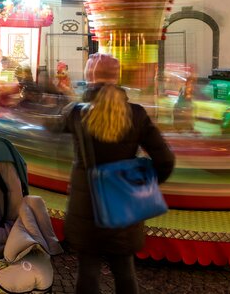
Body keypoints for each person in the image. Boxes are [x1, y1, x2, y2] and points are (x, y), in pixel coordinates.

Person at [58, 53, 175, 294]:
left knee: (88, 272)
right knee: (124, 271)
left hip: (86, 205)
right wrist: (144, 183)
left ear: (90, 76)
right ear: (116, 76)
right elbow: (165, 160)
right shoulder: (137, 113)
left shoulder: (76, 113)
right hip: (123, 204)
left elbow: (49, 131)